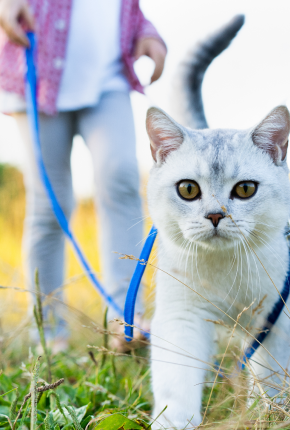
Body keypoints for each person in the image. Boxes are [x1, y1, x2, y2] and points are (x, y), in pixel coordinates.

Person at [0, 0, 166, 346]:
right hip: (38, 73)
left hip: (108, 77)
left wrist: (145, 32)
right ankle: (49, 333)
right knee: (49, 204)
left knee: (120, 178)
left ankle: (126, 320)